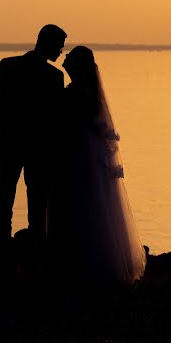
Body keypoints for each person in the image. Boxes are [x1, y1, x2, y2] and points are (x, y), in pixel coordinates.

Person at [50, 46, 146, 286]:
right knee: (92, 204)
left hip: (78, 155)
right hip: (85, 154)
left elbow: (68, 123)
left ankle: (82, 265)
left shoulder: (77, 93)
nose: (65, 60)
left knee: (82, 205)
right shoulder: (88, 92)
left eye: (69, 58)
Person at [0, 24, 67, 251]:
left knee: (6, 206)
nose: (61, 51)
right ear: (47, 43)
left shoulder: (9, 66)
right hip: (32, 151)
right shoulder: (53, 77)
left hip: (15, 148)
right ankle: (29, 259)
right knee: (33, 208)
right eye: (59, 46)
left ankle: (6, 256)